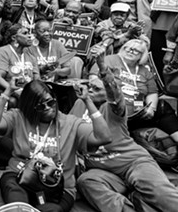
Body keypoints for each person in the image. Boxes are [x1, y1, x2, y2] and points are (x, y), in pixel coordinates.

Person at [72, 43, 178, 212]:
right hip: (103, 170)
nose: (90, 90)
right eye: (89, 86)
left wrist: (102, 66)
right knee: (86, 182)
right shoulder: (79, 103)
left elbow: (114, 94)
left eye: (96, 88)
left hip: (132, 163)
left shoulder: (114, 108)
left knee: (163, 196)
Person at [0, 79, 111, 212]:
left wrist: (87, 100)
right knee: (16, 197)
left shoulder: (71, 123)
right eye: (40, 106)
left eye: (51, 102)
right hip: (20, 176)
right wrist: (8, 91)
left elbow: (104, 137)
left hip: (57, 188)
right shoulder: (19, 117)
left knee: (50, 210)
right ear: (30, 107)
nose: (48, 108)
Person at [90, 39, 178, 144]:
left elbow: (152, 92)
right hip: (113, 107)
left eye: (136, 51)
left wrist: (151, 109)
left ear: (142, 55)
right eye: (129, 48)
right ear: (123, 48)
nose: (131, 52)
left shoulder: (145, 71)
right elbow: (93, 79)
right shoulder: (109, 60)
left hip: (137, 111)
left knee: (163, 106)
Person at [0, 24, 40, 98]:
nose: (29, 36)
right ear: (14, 37)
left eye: (29, 33)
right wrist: (14, 91)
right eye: (25, 33)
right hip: (2, 93)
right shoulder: (1, 53)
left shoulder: (30, 55)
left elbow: (37, 79)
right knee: (13, 101)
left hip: (25, 93)